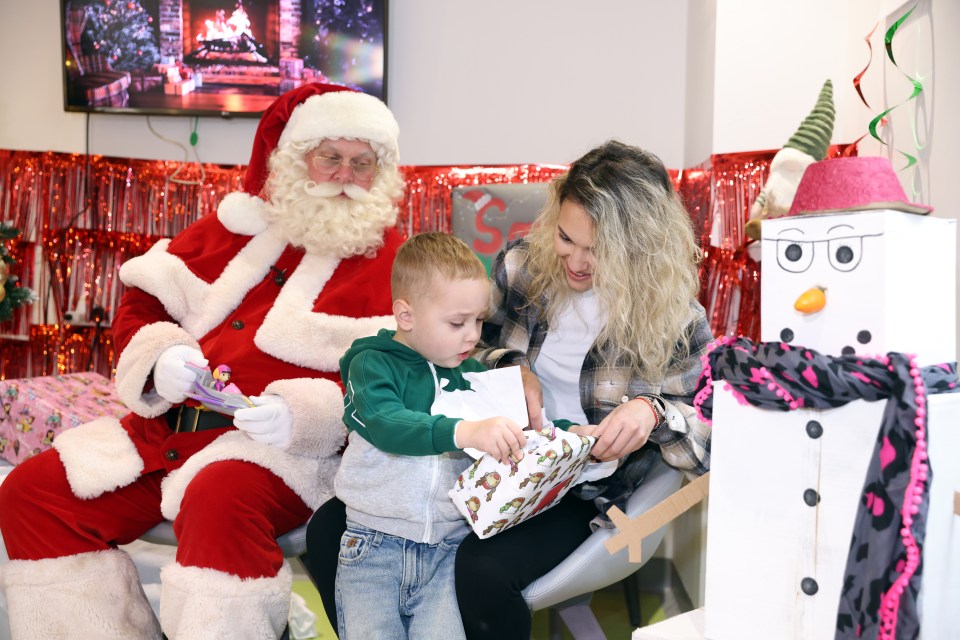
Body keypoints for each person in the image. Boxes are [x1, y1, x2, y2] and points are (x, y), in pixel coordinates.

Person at [0, 82, 405, 640]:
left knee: (219, 499)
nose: (344, 176)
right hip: (162, 433)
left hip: (278, 457)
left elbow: (407, 376)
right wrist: (160, 352)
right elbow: (144, 301)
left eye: (362, 165)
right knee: (33, 495)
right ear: (294, 160)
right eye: (329, 157)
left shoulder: (398, 265)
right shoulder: (231, 230)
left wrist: (306, 412)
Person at [306, 139, 713, 639]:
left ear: (641, 247)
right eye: (567, 238)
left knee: (480, 570)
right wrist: (510, 367)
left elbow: (711, 437)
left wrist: (654, 412)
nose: (578, 263)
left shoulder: (676, 318)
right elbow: (459, 349)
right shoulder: (524, 265)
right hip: (489, 455)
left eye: (600, 251)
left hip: (583, 489)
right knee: (331, 531)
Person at [333, 232, 527, 639]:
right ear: (406, 316)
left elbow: (521, 429)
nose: (473, 336)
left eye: (478, 321)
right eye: (458, 323)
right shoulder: (371, 366)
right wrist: (465, 432)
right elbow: (387, 423)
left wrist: (576, 437)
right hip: (373, 550)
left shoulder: (472, 374)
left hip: (449, 552)